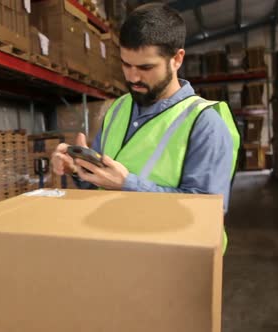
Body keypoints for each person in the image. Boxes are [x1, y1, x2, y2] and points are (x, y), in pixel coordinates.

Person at [51, 3, 240, 252]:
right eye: (126, 65)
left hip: (172, 262)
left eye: (145, 67)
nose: (132, 78)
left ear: (177, 59)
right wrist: (78, 169)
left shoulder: (205, 123)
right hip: (116, 251)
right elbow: (99, 185)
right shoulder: (118, 108)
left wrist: (128, 184)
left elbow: (203, 214)